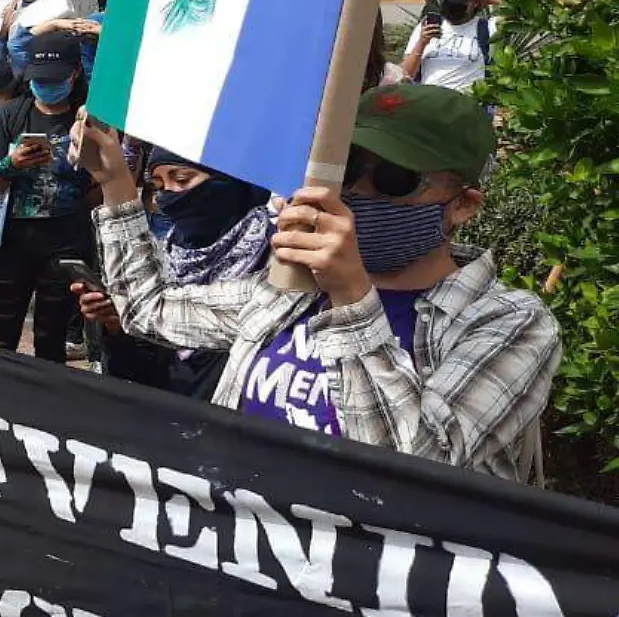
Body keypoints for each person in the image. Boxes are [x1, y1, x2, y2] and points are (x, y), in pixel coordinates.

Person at [75, 84, 560, 482]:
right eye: (348, 169)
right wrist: (114, 180)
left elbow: (413, 475)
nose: (357, 194)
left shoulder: (509, 323)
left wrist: (353, 298)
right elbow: (146, 309)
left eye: (394, 179)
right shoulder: (292, 291)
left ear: (463, 205)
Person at [77, 149, 274, 399]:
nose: (166, 197)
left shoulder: (277, 270)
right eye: (159, 185)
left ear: (230, 181)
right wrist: (118, 327)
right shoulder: (162, 257)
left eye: (181, 180)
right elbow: (140, 376)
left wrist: (115, 181)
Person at [0, 31, 94, 363]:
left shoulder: (85, 120)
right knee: (0, 336)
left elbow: (103, 185)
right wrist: (10, 164)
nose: (45, 86)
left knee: (51, 336)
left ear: (73, 75)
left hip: (66, 239)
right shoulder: (9, 115)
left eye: (54, 79)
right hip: (11, 238)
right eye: (38, 79)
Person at [402, 0, 494, 91]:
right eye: (447, 3)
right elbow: (405, 75)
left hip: (465, 104)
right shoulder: (426, 26)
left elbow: (521, 8)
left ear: (476, 3)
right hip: (429, 100)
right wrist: (422, 43)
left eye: (458, 5)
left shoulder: (488, 28)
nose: (451, 10)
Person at [0, 0, 63, 72]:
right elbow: (2, 38)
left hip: (38, 64)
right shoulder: (16, 5)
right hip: (15, 67)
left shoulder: (49, 2)